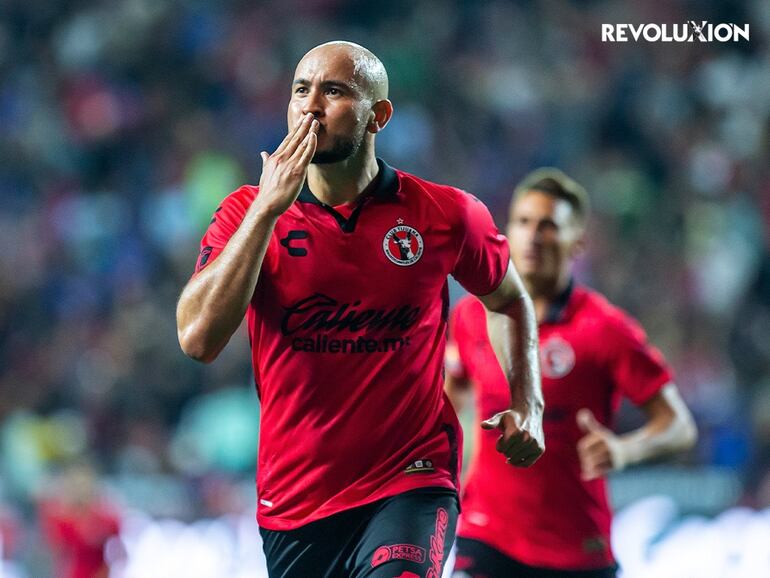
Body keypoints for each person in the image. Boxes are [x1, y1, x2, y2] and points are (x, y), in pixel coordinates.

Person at [176, 41, 545, 578]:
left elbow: (509, 299)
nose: (311, 106)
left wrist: (528, 402)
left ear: (379, 116)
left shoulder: (444, 214)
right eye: (301, 90)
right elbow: (197, 340)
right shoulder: (244, 215)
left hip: (411, 481)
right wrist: (266, 210)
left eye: (335, 91)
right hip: (296, 501)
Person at [446, 168, 698, 578]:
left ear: (577, 242)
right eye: (523, 222)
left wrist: (624, 451)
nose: (532, 236)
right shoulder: (471, 316)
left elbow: (679, 426)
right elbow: (453, 397)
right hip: (486, 536)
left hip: (577, 549)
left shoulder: (605, 329)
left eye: (548, 226)